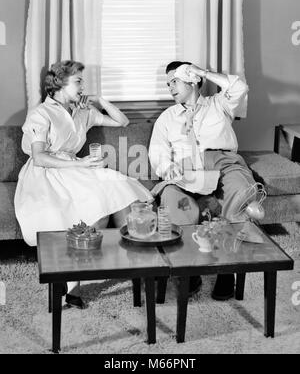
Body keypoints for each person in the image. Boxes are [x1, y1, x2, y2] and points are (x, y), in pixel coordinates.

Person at [15, 60, 153, 308]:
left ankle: (129, 267)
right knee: (81, 211)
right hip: (46, 172)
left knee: (118, 191)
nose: (82, 86)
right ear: (59, 83)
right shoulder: (41, 114)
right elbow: (39, 158)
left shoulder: (83, 112)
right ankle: (70, 282)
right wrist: (80, 165)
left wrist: (99, 99)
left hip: (76, 168)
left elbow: (122, 122)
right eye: (78, 81)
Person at [149, 61, 256, 300]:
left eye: (174, 81)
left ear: (192, 79)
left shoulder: (219, 104)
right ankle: (187, 270)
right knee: (176, 204)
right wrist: (169, 168)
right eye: (167, 84)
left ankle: (228, 269)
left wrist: (202, 72)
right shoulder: (167, 118)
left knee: (240, 192)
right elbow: (157, 154)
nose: (170, 87)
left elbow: (239, 87)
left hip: (222, 163)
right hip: (184, 172)